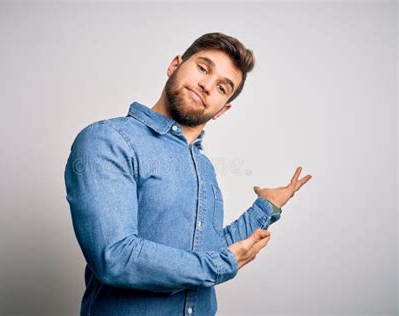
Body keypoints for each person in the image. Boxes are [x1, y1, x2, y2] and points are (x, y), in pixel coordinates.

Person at [64, 32, 312, 316]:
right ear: (174, 65)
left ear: (223, 110)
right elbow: (115, 257)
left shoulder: (203, 167)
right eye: (203, 68)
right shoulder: (109, 141)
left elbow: (210, 250)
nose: (207, 85)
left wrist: (266, 207)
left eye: (222, 88)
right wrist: (221, 266)